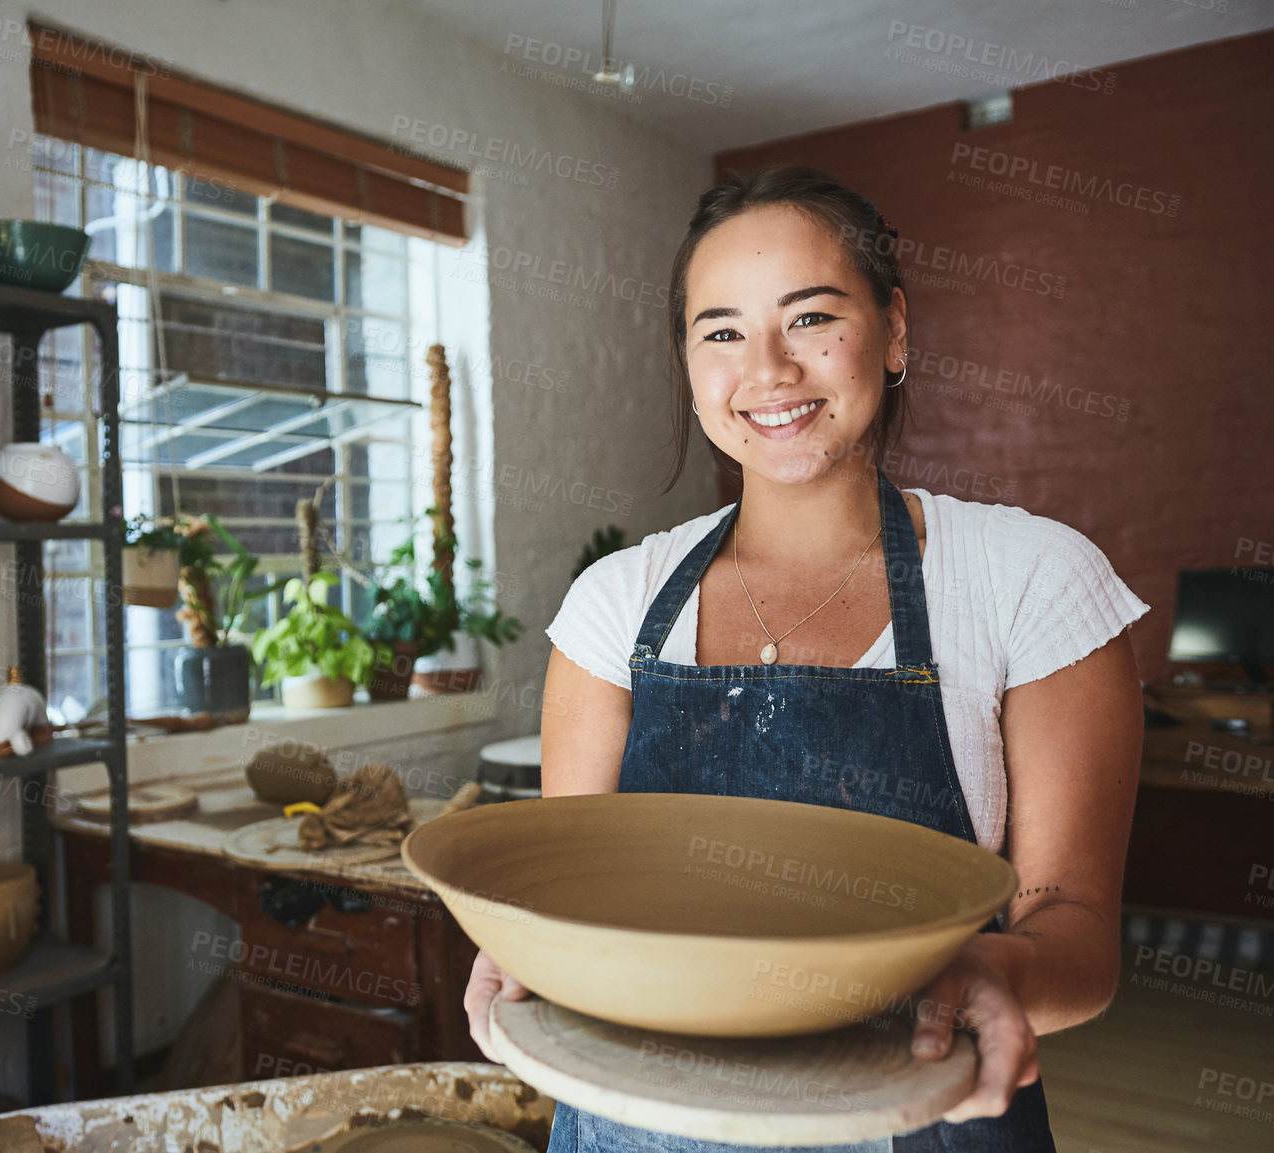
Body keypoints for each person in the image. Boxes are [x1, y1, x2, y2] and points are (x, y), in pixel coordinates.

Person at [464, 164, 1149, 1152]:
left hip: (922, 1113)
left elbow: (1072, 920)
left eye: (811, 318)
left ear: (895, 330)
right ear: (689, 362)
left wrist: (1005, 973)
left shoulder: (1028, 578)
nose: (769, 371)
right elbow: (574, 894)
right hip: (638, 1121)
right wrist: (529, 950)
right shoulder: (615, 602)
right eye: (723, 332)